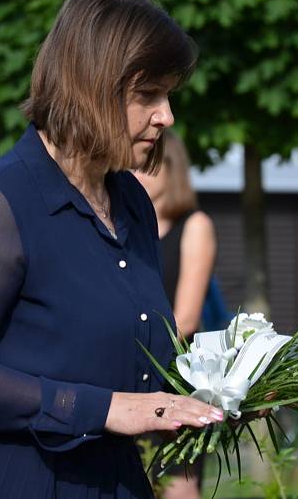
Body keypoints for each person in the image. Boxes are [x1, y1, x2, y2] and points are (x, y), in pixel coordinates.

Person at [0, 0, 224, 499]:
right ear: (93, 85)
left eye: (169, 95)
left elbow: (125, 362)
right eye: (148, 95)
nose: (167, 116)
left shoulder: (132, 201)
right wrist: (109, 408)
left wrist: (224, 391)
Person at [135, 131, 217, 499]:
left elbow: (186, 319)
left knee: (177, 489)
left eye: (147, 167)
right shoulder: (125, 229)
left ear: (173, 170)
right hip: (126, 381)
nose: (136, 175)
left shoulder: (194, 225)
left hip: (174, 379)